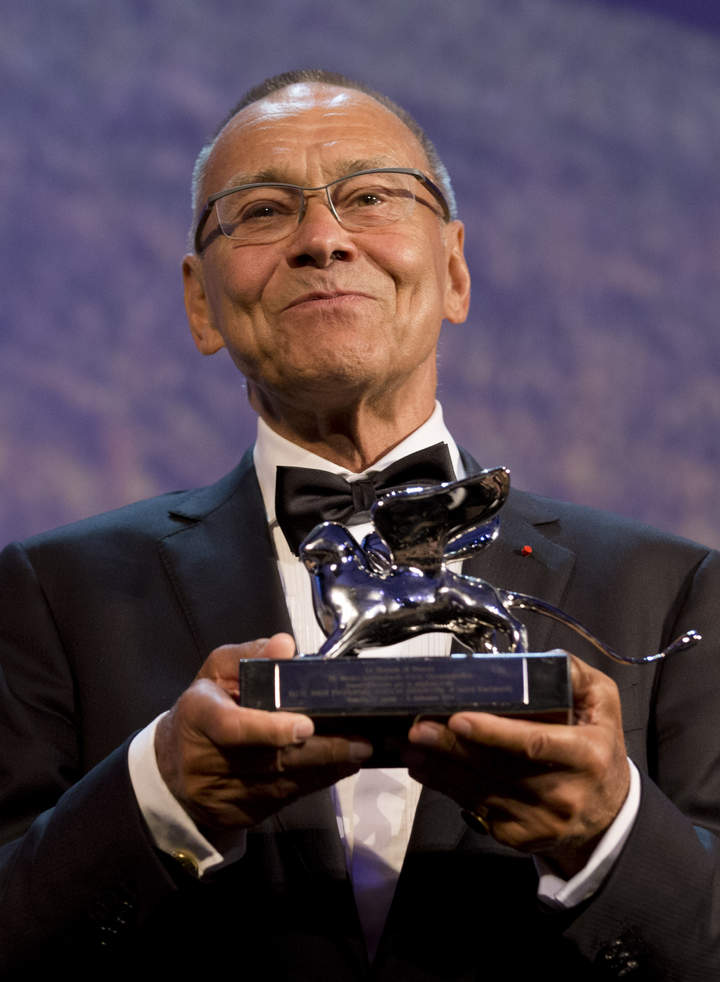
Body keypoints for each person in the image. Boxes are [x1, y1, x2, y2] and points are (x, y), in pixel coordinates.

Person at [0, 69, 718, 980]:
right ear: (200, 302)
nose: (322, 239)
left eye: (371, 197)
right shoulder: (49, 594)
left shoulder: (674, 591)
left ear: (453, 270)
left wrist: (608, 834)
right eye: (262, 211)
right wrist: (157, 798)